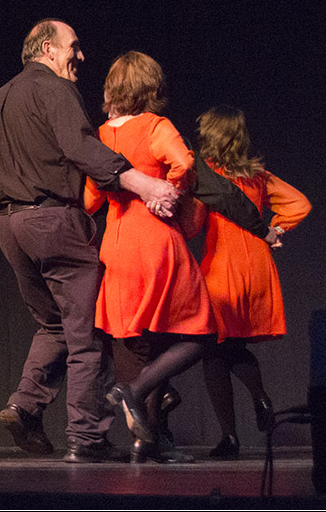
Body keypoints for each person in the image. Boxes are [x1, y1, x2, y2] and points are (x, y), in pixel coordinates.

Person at [0, 19, 181, 463]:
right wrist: (144, 184)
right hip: (51, 220)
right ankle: (86, 437)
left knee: (55, 324)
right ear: (48, 50)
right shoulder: (54, 89)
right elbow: (82, 147)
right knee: (87, 333)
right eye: (74, 47)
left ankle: (24, 404)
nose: (81, 56)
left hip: (8, 225)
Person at [85, 51, 219, 463]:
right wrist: (167, 195)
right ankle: (136, 392)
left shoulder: (100, 136)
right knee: (201, 334)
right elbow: (184, 162)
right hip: (156, 242)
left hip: (117, 245)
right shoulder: (155, 126)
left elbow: (89, 200)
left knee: (143, 347)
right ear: (151, 87)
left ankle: (148, 442)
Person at [193, 105, 311, 458]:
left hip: (224, 267)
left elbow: (193, 225)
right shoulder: (257, 175)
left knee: (213, 350)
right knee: (231, 345)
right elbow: (300, 204)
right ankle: (260, 397)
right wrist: (275, 229)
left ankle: (230, 437)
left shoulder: (207, 174)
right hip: (258, 267)